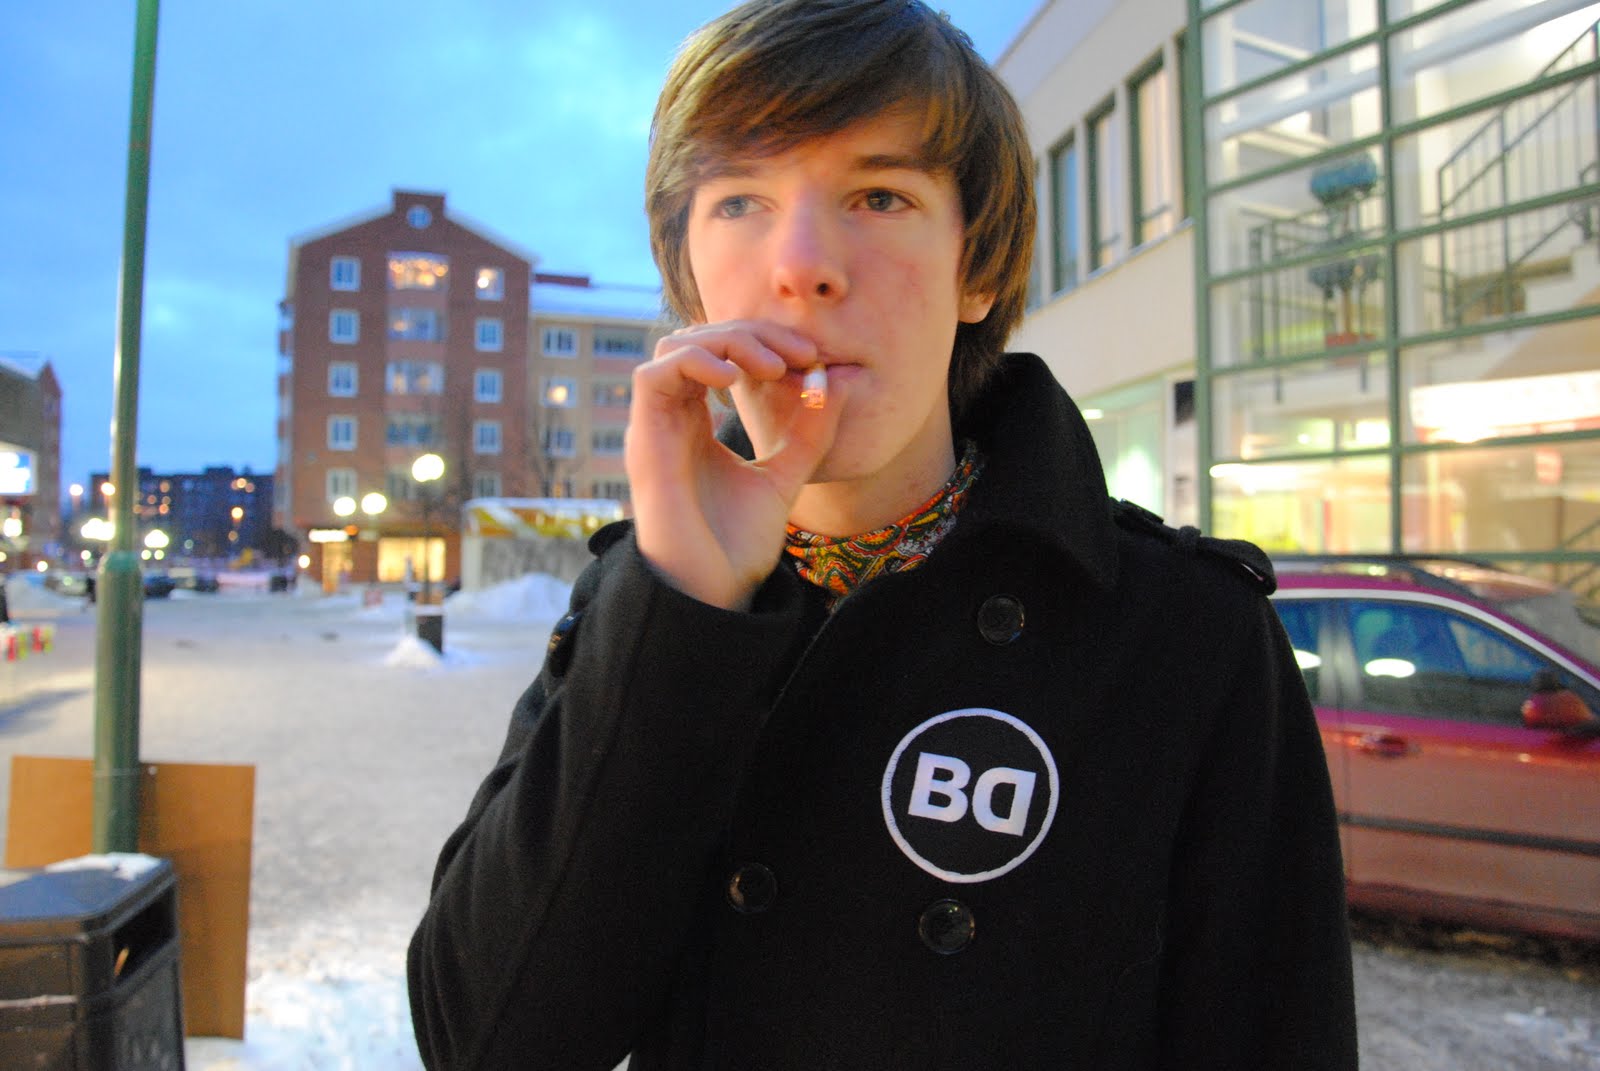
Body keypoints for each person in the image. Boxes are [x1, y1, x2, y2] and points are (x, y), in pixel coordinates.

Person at [408, 1, 1357, 1067]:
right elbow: (483, 1043)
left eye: (879, 195)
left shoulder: (1185, 634)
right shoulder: (639, 604)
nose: (803, 264)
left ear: (976, 269)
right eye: (740, 200)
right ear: (689, 279)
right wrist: (682, 611)